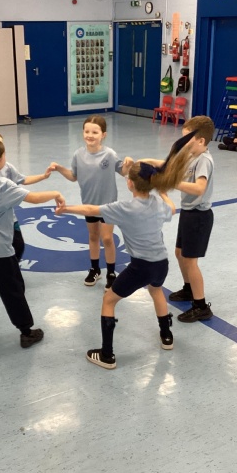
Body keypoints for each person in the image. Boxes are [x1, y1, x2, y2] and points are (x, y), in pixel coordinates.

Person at [55, 137, 195, 369]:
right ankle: (166, 336)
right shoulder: (158, 204)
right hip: (161, 263)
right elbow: (171, 209)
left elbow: (91, 209)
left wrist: (66, 208)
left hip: (140, 266)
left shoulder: (123, 208)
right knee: (156, 291)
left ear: (130, 184)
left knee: (108, 300)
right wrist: (163, 193)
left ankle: (107, 355)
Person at [0, 137, 65, 350]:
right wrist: (56, 193)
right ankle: (26, 332)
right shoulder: (2, 185)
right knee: (13, 292)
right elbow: (33, 198)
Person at [49, 115, 133, 290]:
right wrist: (59, 168)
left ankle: (111, 272)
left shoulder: (109, 154)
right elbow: (73, 176)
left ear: (103, 135)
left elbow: (123, 171)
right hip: (88, 204)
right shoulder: (78, 154)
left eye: (95, 132)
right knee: (93, 236)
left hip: (108, 205)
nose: (90, 135)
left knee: (107, 238)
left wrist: (128, 164)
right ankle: (95, 269)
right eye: (87, 131)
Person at [0, 129, 52, 260]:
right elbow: (34, 198)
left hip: (9, 218)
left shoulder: (7, 168)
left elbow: (23, 179)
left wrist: (43, 176)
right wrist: (55, 194)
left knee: (18, 246)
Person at [169, 116, 216, 323]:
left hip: (199, 216)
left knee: (190, 260)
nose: (183, 142)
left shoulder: (203, 160)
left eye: (186, 139)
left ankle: (201, 306)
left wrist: (172, 182)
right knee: (180, 253)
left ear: (201, 141)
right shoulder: (191, 154)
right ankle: (189, 289)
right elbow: (171, 167)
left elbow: (199, 188)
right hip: (188, 212)